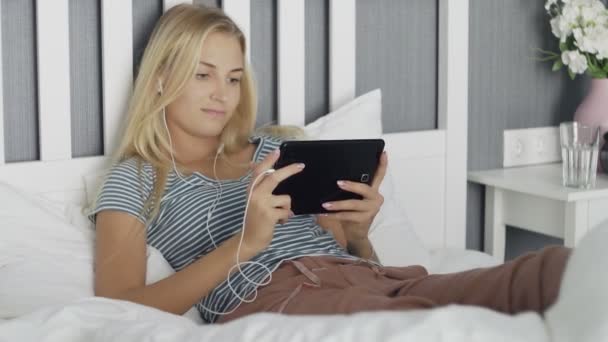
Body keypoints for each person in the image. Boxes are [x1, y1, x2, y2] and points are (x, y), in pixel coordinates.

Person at [89, 4, 570, 325]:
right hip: (276, 298)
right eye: (203, 75)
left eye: (234, 78)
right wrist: (246, 242)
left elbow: (348, 260)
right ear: (158, 79)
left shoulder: (276, 150)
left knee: (548, 273)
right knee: (437, 327)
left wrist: (359, 235)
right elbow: (116, 309)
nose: (222, 94)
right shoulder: (135, 179)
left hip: (374, 278)